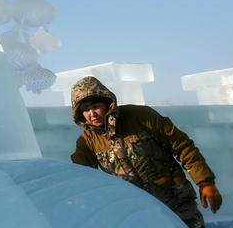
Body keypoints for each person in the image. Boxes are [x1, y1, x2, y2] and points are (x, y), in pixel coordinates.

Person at [70, 76, 223, 227]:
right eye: (86, 110)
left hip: (176, 203)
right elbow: (82, 178)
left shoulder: (141, 117)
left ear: (107, 103)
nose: (92, 114)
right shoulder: (87, 142)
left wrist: (205, 182)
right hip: (138, 214)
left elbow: (182, 146)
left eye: (96, 107)